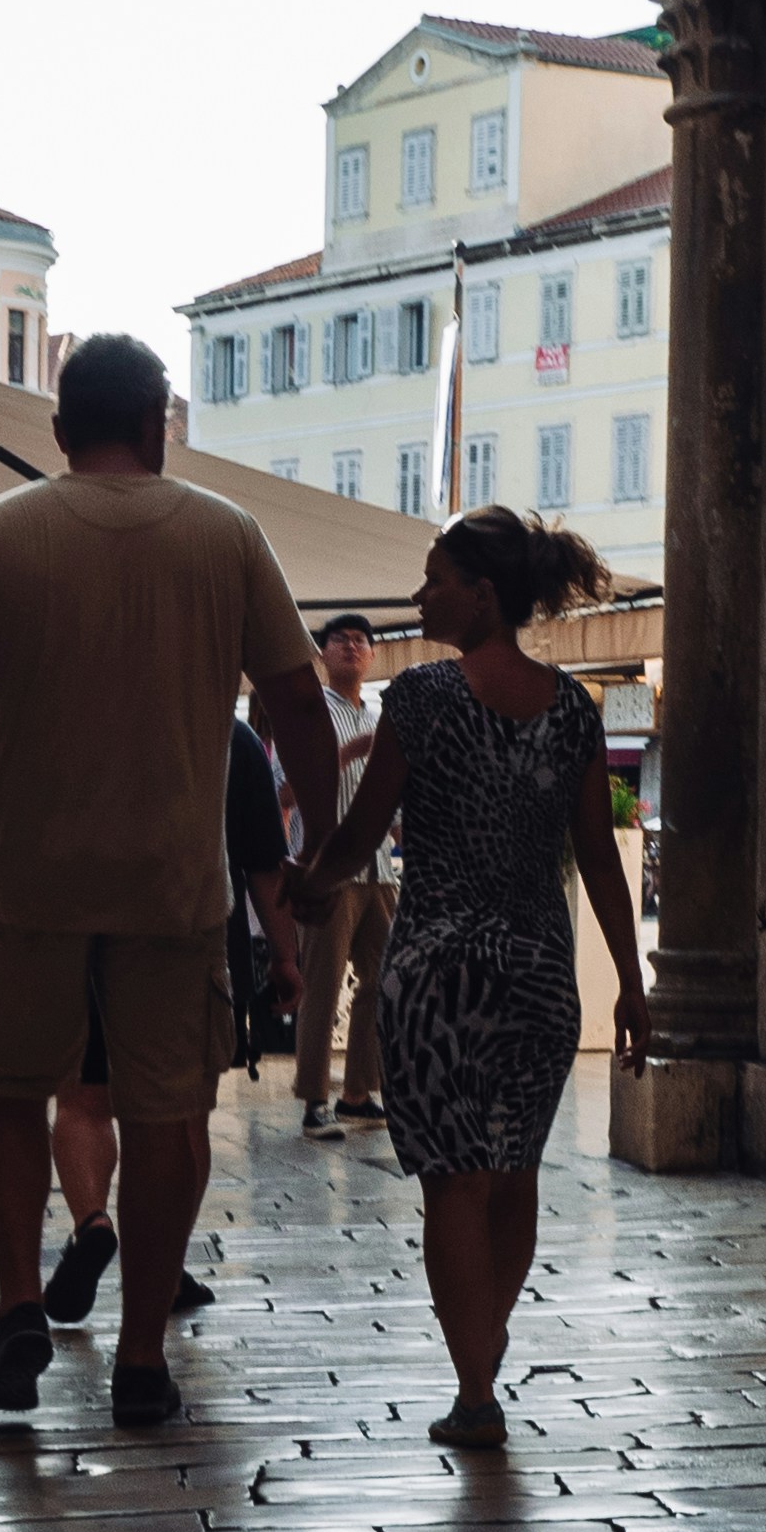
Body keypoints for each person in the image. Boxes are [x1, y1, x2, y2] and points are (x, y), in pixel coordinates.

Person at [0, 330, 336, 1427]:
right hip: (172, 888)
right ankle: (137, 1355)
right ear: (160, 419)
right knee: (171, 1117)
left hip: (27, 882)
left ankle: (21, 1303)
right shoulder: (228, 536)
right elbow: (298, 704)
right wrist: (322, 848)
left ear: (61, 429)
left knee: (13, 1099)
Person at [294, 507, 647, 1450]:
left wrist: (306, 887)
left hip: (438, 970)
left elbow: (359, 838)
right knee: (513, 1173)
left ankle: (475, 1387)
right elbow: (598, 862)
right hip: (536, 972)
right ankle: (485, 1352)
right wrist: (634, 983)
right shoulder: (570, 709)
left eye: (435, 579)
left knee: (452, 1183)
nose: (419, 596)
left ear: (482, 596)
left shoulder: (419, 702)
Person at [47, 700, 300, 1341]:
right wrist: (287, 957)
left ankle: (93, 1225)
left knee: (82, 1100)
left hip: (85, 931)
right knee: (183, 1117)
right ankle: (165, 1264)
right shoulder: (230, 736)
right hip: (195, 936)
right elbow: (264, 863)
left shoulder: (79, 724)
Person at [292, 611, 393, 1140]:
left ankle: (359, 1092)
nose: (352, 647)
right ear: (323, 653)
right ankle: (313, 1099)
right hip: (326, 869)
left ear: (373, 655)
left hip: (378, 870)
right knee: (323, 985)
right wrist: (345, 756)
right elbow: (283, 795)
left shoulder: (381, 720)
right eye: (341, 640)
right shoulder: (309, 717)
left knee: (381, 981)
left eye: (361, 640)